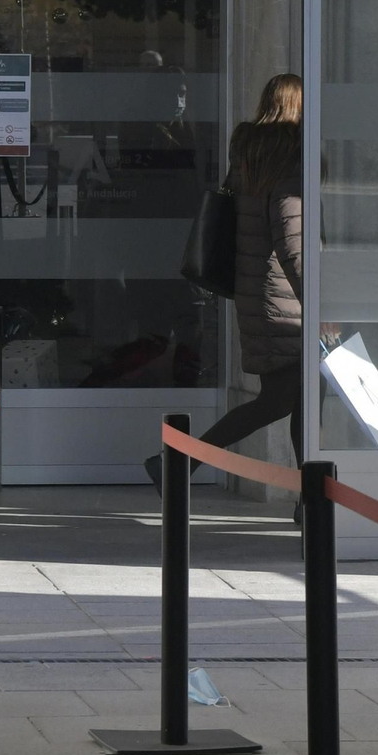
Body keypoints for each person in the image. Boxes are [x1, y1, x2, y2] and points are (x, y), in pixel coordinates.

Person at [146, 73, 307, 515]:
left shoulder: (250, 156)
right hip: (286, 301)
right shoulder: (289, 159)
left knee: (296, 400)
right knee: (283, 399)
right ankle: (178, 460)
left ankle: (308, 499)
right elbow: (292, 242)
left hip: (259, 295)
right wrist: (318, 303)